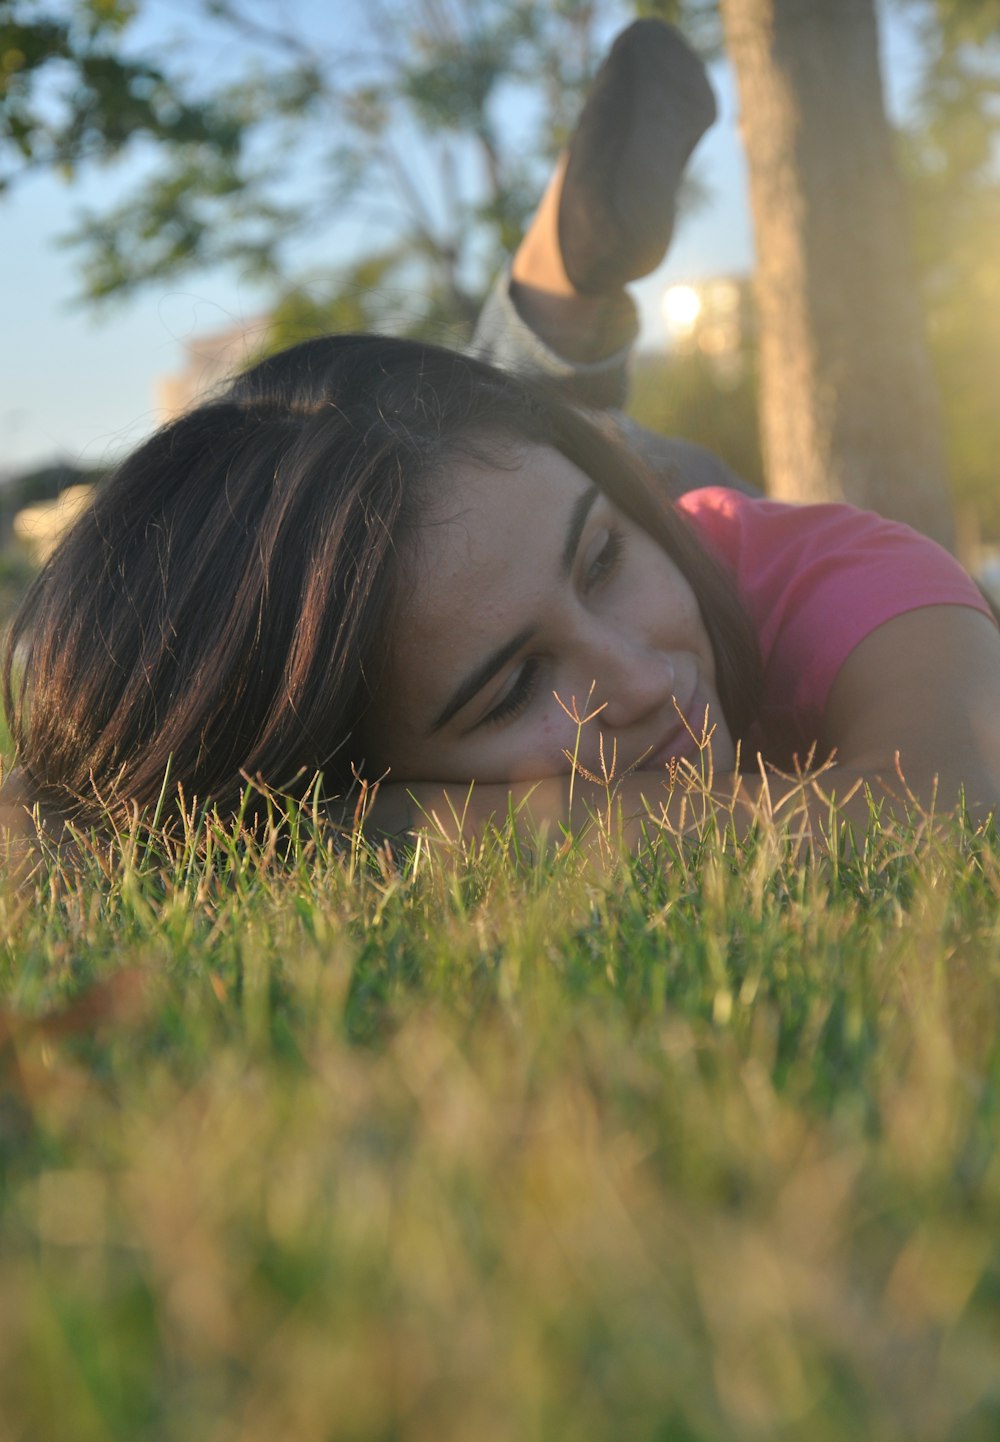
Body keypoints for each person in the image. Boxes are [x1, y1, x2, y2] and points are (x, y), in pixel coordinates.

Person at [4, 22, 1000, 851]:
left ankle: (556, 323)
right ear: (348, 756)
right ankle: (553, 332)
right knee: (492, 471)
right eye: (515, 686)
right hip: (560, 492)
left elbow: (952, 811)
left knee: (520, 450)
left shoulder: (826, 568)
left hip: (653, 493)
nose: (643, 681)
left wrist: (375, 833)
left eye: (606, 562)